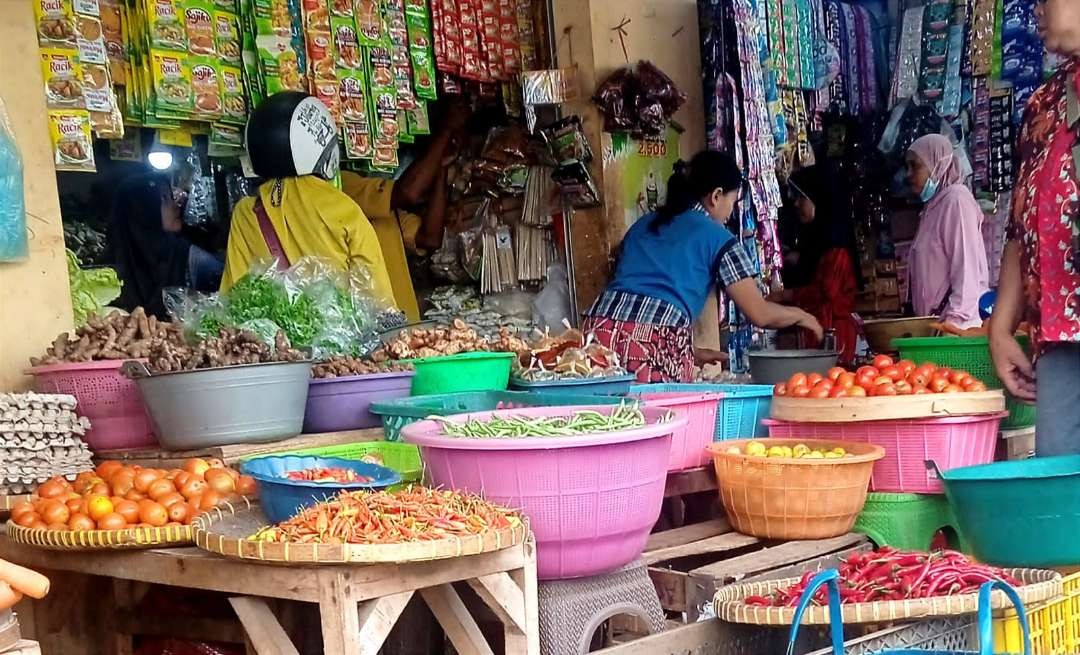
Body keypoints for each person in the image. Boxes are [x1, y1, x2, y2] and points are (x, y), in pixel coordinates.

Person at [582, 151, 823, 383]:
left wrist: (689, 350)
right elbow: (760, 313)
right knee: (664, 416)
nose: (730, 212)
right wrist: (802, 316)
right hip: (653, 339)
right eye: (732, 201)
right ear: (716, 196)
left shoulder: (643, 224)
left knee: (611, 418)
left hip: (597, 330)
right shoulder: (718, 238)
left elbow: (637, 298)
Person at [989, 0, 1080, 456]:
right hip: (1061, 338)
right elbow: (1020, 225)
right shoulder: (1044, 103)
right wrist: (1001, 327)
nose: (1036, 12)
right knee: (1061, 493)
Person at [220, 92, 393, 304]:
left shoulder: (245, 212)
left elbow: (233, 296)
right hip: (340, 335)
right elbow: (379, 299)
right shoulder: (342, 208)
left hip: (267, 336)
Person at [340, 101, 468, 322]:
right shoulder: (345, 186)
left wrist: (440, 167)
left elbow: (429, 237)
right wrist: (445, 131)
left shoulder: (386, 211)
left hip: (404, 325)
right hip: (374, 331)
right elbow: (408, 192)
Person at [107, 172, 223, 319]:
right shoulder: (107, 270)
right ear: (142, 207)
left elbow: (228, 288)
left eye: (171, 197)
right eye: (164, 199)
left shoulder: (189, 257)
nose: (175, 206)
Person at [774, 165, 860, 365]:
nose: (796, 204)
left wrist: (786, 295)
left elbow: (826, 292)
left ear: (819, 199)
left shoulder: (837, 248)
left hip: (833, 336)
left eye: (801, 198)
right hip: (817, 332)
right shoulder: (818, 242)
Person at [905, 134, 989, 328]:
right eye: (907, 166)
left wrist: (954, 321)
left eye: (915, 165)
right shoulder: (932, 207)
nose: (908, 174)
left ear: (937, 164)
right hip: (939, 326)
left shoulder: (956, 200)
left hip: (958, 328)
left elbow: (966, 267)